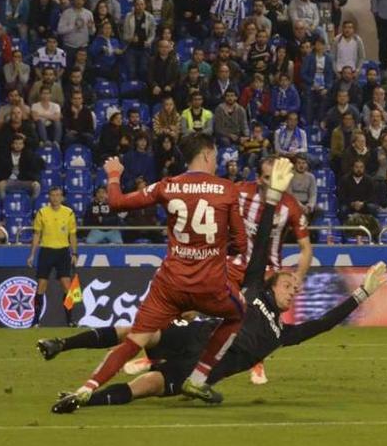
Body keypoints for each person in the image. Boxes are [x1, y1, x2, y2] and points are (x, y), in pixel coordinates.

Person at [39, 165, 387, 409]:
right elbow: (262, 243)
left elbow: (324, 323)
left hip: (197, 369)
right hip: (194, 338)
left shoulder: (282, 333)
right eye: (289, 282)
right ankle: (61, 343)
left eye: (295, 288)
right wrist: (273, 199)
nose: (293, 289)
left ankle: (80, 399)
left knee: (144, 389)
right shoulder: (253, 288)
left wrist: (363, 293)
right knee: (135, 332)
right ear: (273, 280)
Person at [51, 133, 248, 412]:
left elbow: (117, 203)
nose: (216, 162)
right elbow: (240, 244)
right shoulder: (227, 189)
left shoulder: (167, 185)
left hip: (170, 284)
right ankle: (199, 377)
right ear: (206, 154)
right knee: (237, 313)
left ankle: (86, 389)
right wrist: (213, 247)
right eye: (215, 157)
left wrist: (115, 175)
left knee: (134, 341)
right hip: (209, 285)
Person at [27, 186, 79, 327]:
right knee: (41, 286)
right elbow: (37, 234)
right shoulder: (42, 213)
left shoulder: (68, 213)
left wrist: (74, 253)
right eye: (53, 195)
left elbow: (72, 235)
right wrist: (32, 254)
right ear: (49, 197)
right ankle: (35, 320)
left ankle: (70, 320)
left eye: (58, 195)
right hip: (46, 251)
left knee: (67, 286)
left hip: (62, 252)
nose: (55, 198)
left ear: (62, 197)